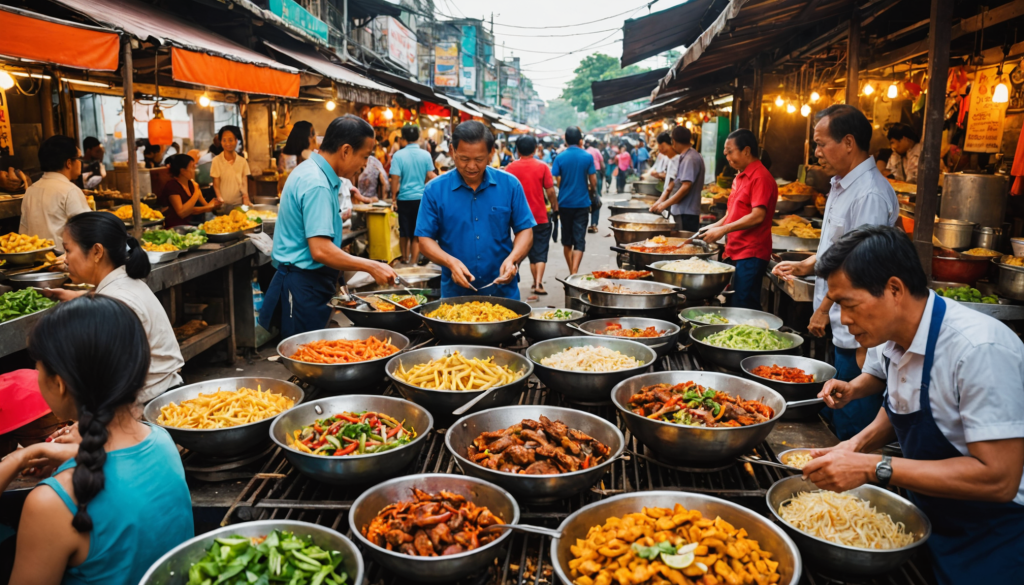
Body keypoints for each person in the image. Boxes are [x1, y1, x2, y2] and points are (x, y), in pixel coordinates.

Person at [804, 225, 1024, 585]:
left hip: (992, 540)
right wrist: (853, 446)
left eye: (849, 304)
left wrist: (874, 467)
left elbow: (999, 478)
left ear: (894, 289)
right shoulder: (890, 336)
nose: (842, 319)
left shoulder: (978, 350)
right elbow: (904, 403)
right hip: (929, 518)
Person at [0, 295, 193, 585]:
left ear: (60, 383)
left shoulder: (50, 503)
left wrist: (19, 457)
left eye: (38, 369)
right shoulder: (162, 441)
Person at [772, 105, 899, 439]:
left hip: (858, 325)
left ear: (848, 142)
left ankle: (851, 480)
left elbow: (860, 263)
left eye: (821, 144)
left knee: (852, 414)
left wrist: (825, 307)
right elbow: (837, 245)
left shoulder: (869, 193)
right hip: (845, 323)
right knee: (839, 402)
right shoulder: (843, 184)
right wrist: (808, 264)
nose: (816, 153)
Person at [260, 115, 397, 339]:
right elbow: (321, 250)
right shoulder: (317, 183)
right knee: (307, 358)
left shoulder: (314, 171)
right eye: (364, 156)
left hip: (308, 282)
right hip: (302, 285)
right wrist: (372, 266)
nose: (364, 165)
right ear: (345, 151)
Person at [42, 213, 184, 403]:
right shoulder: (123, 282)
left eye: (68, 250)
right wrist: (80, 297)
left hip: (150, 405)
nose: (65, 260)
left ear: (97, 252)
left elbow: (115, 378)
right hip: (162, 392)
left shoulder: (117, 298)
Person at [415, 121, 535, 299]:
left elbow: (525, 230)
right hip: (455, 296)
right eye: (464, 159)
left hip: (503, 294)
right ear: (452, 151)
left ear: (491, 153)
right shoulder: (434, 190)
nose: (471, 166)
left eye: (479, 159)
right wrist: (450, 263)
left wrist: (513, 259)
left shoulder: (510, 185)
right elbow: (424, 240)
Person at [698, 129, 778, 310]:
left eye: (729, 151)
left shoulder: (760, 177)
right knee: (734, 304)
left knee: (744, 307)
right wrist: (713, 227)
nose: (726, 156)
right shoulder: (739, 177)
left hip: (751, 253)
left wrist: (723, 230)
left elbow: (758, 216)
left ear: (746, 151)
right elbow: (732, 214)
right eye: (725, 152)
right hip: (734, 251)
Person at [19, 135, 91, 253]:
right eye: (79, 158)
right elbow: (88, 231)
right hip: (64, 263)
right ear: (69, 163)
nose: (81, 163)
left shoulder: (31, 190)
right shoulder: (70, 190)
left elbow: (23, 234)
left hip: (34, 262)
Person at [506, 136, 557, 298]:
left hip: (518, 219)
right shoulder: (542, 167)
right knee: (540, 250)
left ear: (518, 150)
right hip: (540, 216)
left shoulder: (510, 168)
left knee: (519, 249)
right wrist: (555, 207)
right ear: (535, 149)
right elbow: (550, 191)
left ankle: (510, 277)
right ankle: (538, 282)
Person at [551, 126, 597, 275]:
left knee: (567, 240)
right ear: (580, 140)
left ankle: (571, 270)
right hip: (582, 203)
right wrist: (592, 191)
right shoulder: (587, 156)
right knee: (579, 239)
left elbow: (556, 180)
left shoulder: (560, 157)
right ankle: (574, 272)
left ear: (565, 140)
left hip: (564, 204)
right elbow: (593, 181)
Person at [390, 125, 438, 265]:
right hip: (421, 199)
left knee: (404, 231)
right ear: (418, 137)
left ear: (403, 138)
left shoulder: (398, 155)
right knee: (417, 232)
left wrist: (393, 197)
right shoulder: (425, 155)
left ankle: (404, 258)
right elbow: (430, 175)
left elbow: (395, 178)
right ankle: (414, 261)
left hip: (404, 199)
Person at [652, 126, 705, 232]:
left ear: (674, 141)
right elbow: (677, 184)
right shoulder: (687, 156)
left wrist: (664, 204)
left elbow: (686, 187)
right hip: (683, 212)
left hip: (686, 213)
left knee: (684, 245)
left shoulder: (690, 158)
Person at [159, 154, 221, 227]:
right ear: (183, 171)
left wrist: (214, 205)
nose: (195, 170)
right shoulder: (172, 186)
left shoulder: (192, 184)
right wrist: (196, 192)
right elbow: (182, 213)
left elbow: (206, 206)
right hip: (175, 227)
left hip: (190, 225)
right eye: (192, 167)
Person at [211, 126, 251, 207]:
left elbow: (244, 181)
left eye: (230, 140)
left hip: (238, 204)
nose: (227, 143)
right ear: (221, 142)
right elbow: (216, 182)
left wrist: (246, 197)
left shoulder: (242, 161)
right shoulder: (216, 160)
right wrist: (219, 197)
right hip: (222, 205)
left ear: (236, 141)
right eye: (224, 140)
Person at [650, 131, 678, 195]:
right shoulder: (670, 159)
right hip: (669, 197)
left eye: (661, 146)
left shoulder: (678, 159)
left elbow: (675, 182)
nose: (660, 149)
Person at [585, 140, 604, 232]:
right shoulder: (595, 152)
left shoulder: (584, 152)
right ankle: (593, 224)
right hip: (594, 176)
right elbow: (601, 162)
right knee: (596, 201)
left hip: (583, 182)